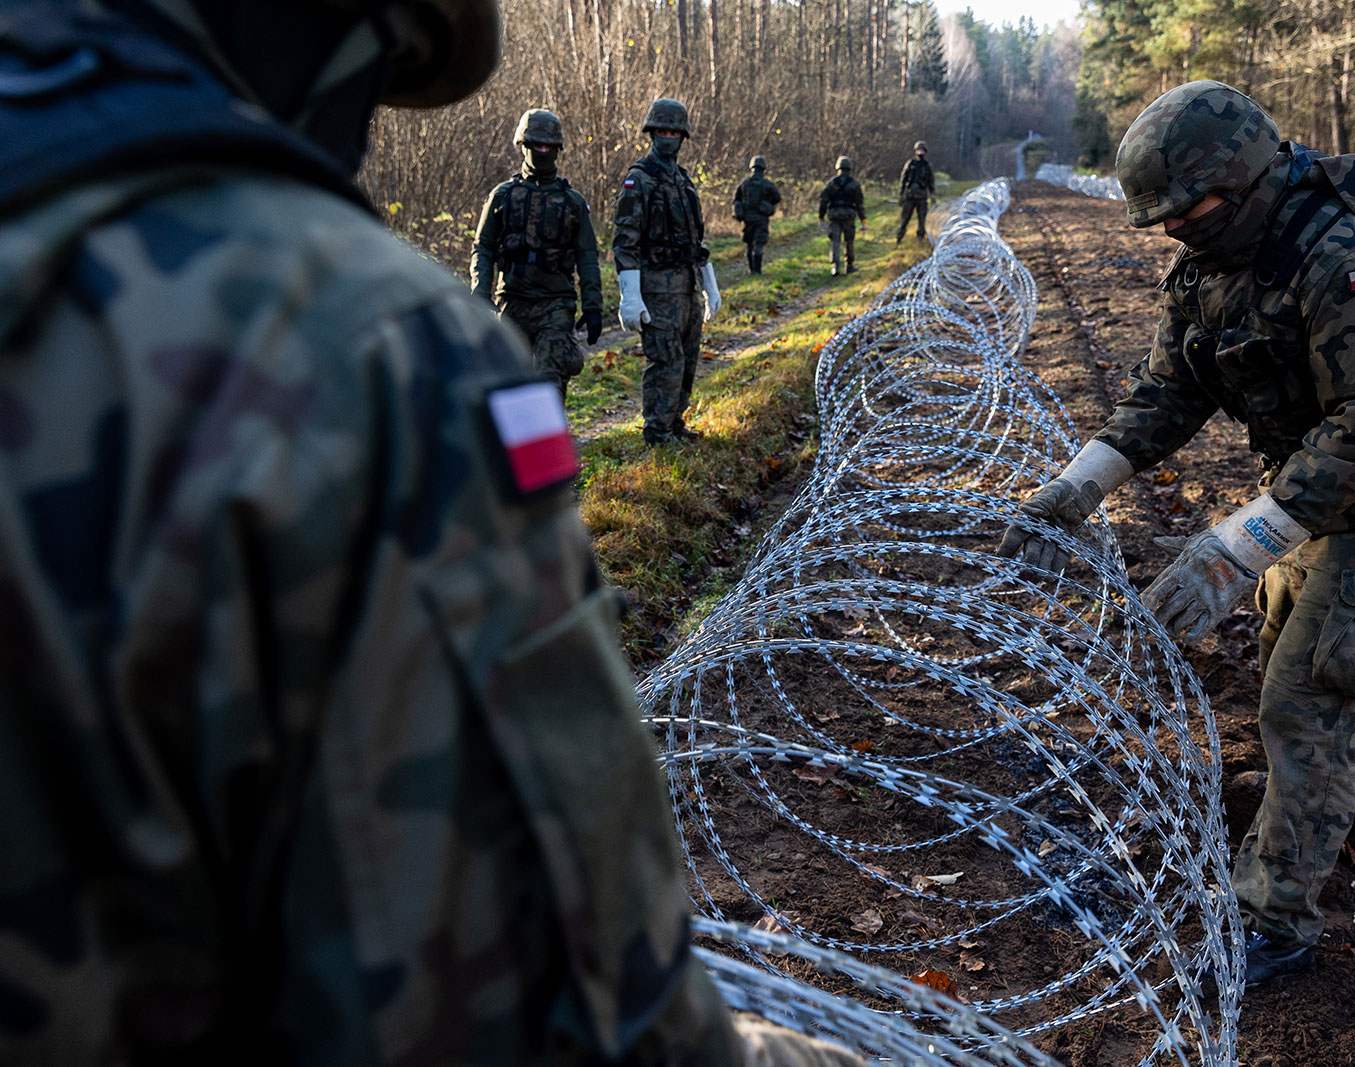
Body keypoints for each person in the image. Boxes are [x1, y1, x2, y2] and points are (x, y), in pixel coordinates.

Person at [0, 2, 858, 1063]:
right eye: (377, 81)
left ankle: (651, 434)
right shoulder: (361, 343)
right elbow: (544, 1003)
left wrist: (618, 295)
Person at [998, 80, 1355, 986]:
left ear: (1247, 176)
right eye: (1169, 220)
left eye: (1194, 210)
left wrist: (1237, 545)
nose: (1180, 230)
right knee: (1284, 651)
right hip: (1309, 488)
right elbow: (1170, 389)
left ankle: (1273, 920)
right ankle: (1324, 804)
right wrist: (1076, 486)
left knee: (1311, 690)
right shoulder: (1215, 263)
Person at [471, 107, 603, 403]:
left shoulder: (572, 201)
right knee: (508, 384)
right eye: (536, 145)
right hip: (512, 304)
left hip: (556, 306)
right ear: (524, 145)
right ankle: (508, 448)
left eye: (547, 146)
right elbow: (483, 247)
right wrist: (480, 292)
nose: (542, 151)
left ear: (557, 149)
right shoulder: (502, 196)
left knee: (548, 381)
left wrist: (593, 306)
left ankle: (548, 448)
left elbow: (587, 256)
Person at [612, 97, 722, 445]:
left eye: (674, 131)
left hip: (686, 287)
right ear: (651, 133)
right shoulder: (639, 180)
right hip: (657, 290)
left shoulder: (683, 181)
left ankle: (674, 423)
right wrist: (630, 295)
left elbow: (696, 240)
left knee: (687, 362)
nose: (668, 137)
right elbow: (624, 241)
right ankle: (657, 434)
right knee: (666, 362)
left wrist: (709, 284)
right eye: (661, 130)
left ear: (683, 136)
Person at [818, 156, 867, 277]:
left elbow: (823, 201)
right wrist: (863, 220)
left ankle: (835, 267)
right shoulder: (854, 184)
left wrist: (821, 218)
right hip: (849, 216)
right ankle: (849, 266)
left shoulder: (832, 183)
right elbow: (859, 204)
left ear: (837, 167)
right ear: (849, 168)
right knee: (849, 241)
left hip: (834, 216)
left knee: (835, 241)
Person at [734, 155, 783, 274]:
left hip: (748, 218)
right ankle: (757, 271)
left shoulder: (744, 183)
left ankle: (752, 270)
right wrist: (767, 204)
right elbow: (777, 198)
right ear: (763, 168)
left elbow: (737, 199)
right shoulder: (767, 184)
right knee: (759, 244)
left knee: (749, 244)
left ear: (752, 167)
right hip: (761, 218)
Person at [896, 140, 936, 243]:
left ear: (925, 151)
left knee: (922, 221)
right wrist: (901, 194)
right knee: (904, 220)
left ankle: (920, 240)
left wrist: (932, 195)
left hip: (922, 198)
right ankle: (899, 238)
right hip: (909, 197)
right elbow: (903, 179)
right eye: (918, 150)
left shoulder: (927, 166)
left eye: (922, 150)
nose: (920, 152)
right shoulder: (910, 164)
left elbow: (931, 182)